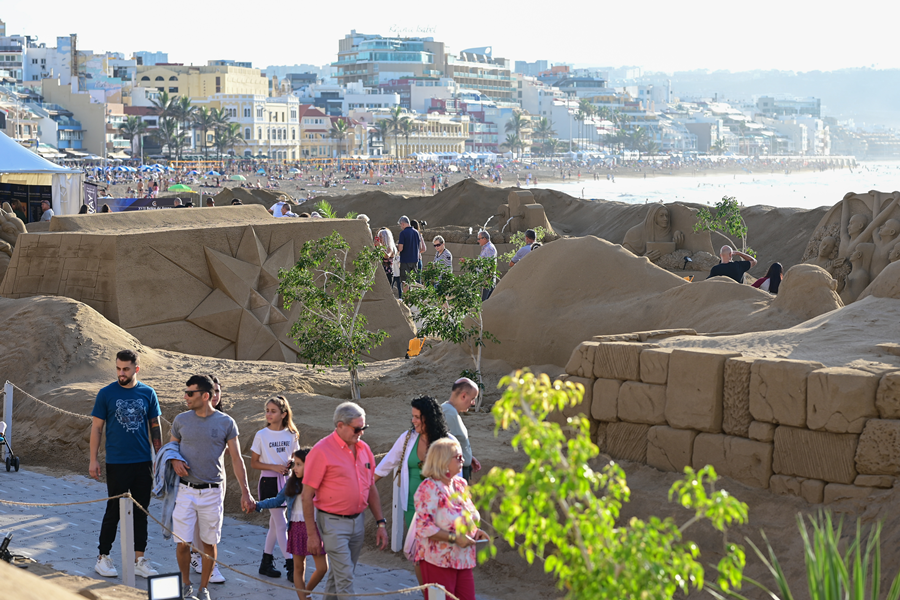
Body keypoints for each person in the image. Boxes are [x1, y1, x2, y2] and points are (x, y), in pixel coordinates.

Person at [170, 374, 255, 600]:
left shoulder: (226, 422)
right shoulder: (180, 420)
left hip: (212, 492)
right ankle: (186, 585)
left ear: (205, 396)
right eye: (185, 392)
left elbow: (237, 459)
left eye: (190, 393)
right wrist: (174, 460)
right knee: (182, 543)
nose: (185, 397)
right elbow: (170, 447)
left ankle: (203, 588)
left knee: (209, 543)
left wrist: (246, 492)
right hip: (185, 490)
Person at [301, 402, 389, 600]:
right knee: (346, 577)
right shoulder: (321, 451)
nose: (361, 433)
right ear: (340, 425)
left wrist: (381, 523)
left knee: (339, 575)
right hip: (332, 523)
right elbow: (307, 495)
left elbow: (371, 487)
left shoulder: (365, 449)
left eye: (363, 428)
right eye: (357, 429)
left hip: (358, 521)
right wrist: (312, 534)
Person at [89, 349, 161, 579]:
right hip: (117, 462)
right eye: (118, 368)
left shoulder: (148, 393)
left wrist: (159, 457)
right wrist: (93, 460)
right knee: (114, 511)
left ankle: (139, 559)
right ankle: (103, 557)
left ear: (136, 369)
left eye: (126, 369)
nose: (121, 373)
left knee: (141, 511)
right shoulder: (106, 393)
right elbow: (97, 428)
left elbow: (155, 426)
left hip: (143, 462)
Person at [375, 397, 454, 557]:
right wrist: (363, 487)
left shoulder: (448, 442)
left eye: (417, 417)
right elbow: (386, 464)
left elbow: (456, 478)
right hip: (412, 507)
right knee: (418, 554)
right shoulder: (407, 438)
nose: (413, 421)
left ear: (430, 418)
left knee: (435, 554)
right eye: (413, 416)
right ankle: (425, 582)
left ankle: (434, 582)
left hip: (439, 510)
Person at [413, 437, 489, 600]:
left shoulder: (460, 484)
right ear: (443, 460)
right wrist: (455, 538)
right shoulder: (429, 487)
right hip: (437, 560)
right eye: (458, 457)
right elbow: (424, 527)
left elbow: (466, 515)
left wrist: (475, 532)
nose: (463, 460)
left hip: (463, 559)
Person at [254, 448, 329, 599]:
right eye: (295, 464)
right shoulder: (291, 483)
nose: (295, 468)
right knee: (298, 568)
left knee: (322, 568)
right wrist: (257, 505)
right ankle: (303, 598)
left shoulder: (320, 485)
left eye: (299, 464)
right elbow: (277, 500)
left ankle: (305, 593)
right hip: (296, 528)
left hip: (315, 529)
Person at [250, 396, 300, 580]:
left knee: (274, 524)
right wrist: (274, 467)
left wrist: (292, 462)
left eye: (273, 411)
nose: (268, 414)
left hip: (287, 481)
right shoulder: (261, 435)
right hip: (268, 482)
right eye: (267, 411)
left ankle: (265, 563)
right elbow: (254, 463)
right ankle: (291, 565)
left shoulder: (292, 434)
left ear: (283, 414)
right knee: (281, 523)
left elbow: (296, 457)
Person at [189, 375, 226, 583]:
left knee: (213, 522)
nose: (215, 395)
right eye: (212, 391)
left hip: (217, 477)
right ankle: (203, 561)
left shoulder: (224, 420)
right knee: (197, 521)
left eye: (218, 391)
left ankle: (203, 559)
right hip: (193, 477)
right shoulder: (189, 418)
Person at [440, 378, 481, 483]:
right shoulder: (449, 414)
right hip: (456, 473)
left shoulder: (450, 411)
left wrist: (468, 456)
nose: (472, 403)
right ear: (463, 396)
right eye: (472, 398)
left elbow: (455, 441)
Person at [397, 216, 421, 299]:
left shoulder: (403, 233)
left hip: (405, 260)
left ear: (403, 223)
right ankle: (414, 300)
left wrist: (397, 247)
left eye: (400, 225)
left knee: (405, 282)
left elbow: (401, 248)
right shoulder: (416, 232)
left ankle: (407, 301)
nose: (401, 227)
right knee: (413, 281)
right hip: (415, 260)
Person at [477, 230, 497, 300]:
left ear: (484, 238)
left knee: (485, 302)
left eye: (479, 239)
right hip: (485, 279)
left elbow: (490, 265)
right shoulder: (486, 247)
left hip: (488, 280)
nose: (478, 241)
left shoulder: (489, 248)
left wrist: (487, 280)